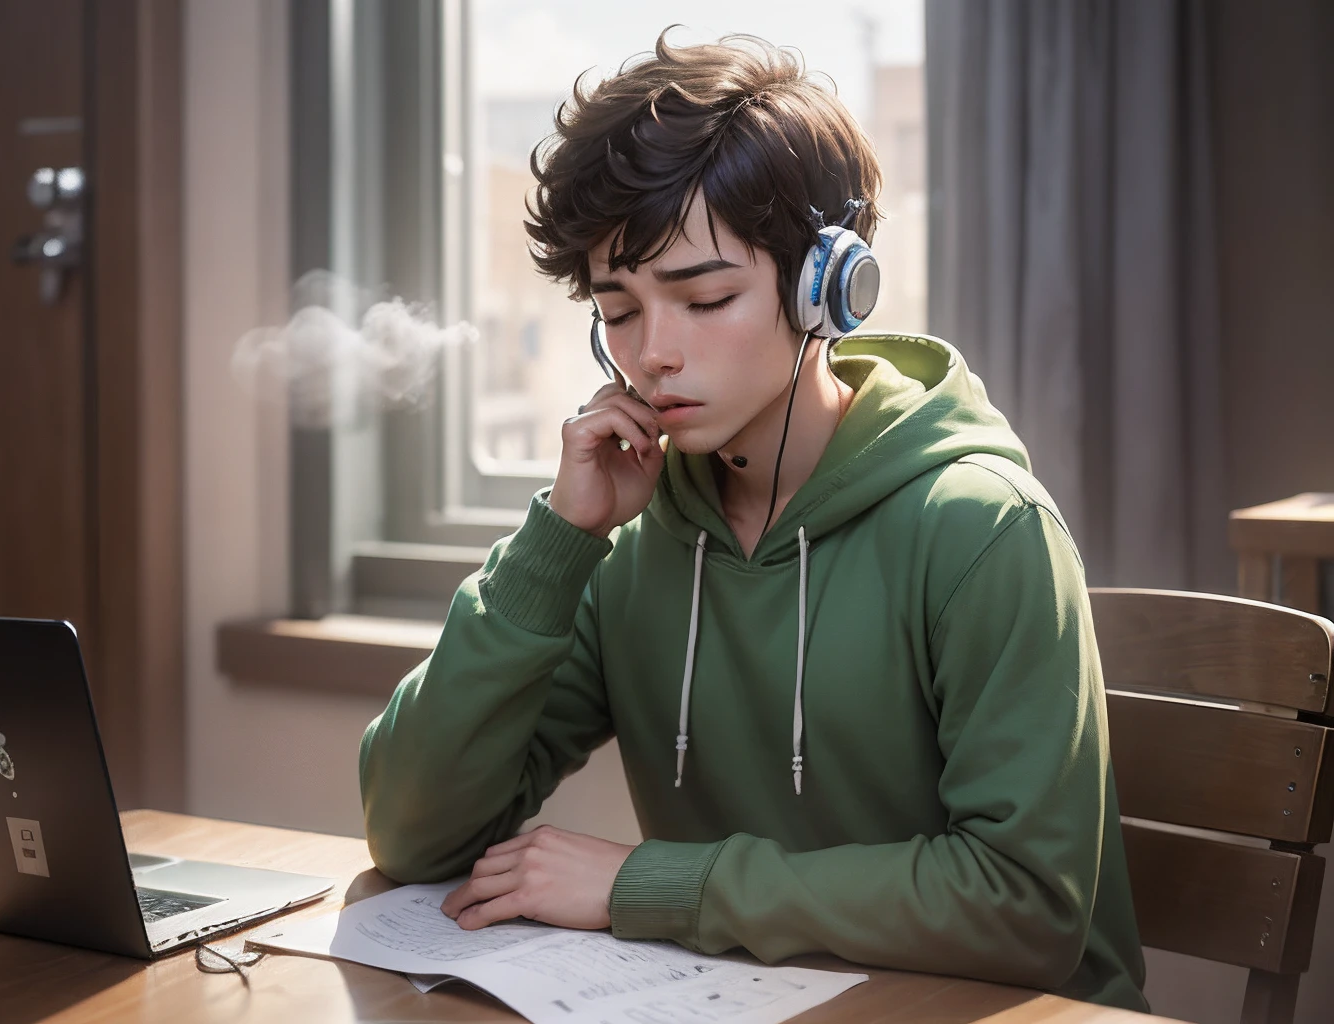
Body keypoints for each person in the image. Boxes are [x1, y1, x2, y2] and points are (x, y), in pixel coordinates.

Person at [357, 33, 1146, 1011]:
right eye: (621, 309)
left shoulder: (984, 531)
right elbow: (412, 832)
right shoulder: (634, 546)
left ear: (827, 289)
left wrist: (646, 884)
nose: (652, 354)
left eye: (705, 296)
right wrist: (557, 543)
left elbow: (1027, 905)